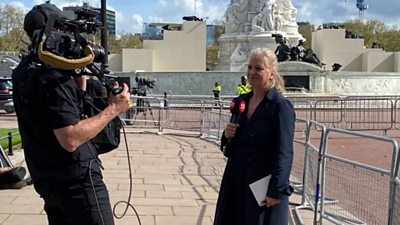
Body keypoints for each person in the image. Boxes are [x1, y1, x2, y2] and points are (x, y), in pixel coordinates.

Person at [12, 3, 130, 225]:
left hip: (47, 179)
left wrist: (77, 67)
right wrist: (114, 109)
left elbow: (69, 107)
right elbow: (71, 138)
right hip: (78, 183)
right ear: (54, 30)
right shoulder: (52, 76)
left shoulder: (23, 70)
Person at [214, 48, 295, 225]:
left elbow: (285, 152)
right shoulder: (241, 101)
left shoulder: (280, 107)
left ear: (271, 74)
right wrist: (227, 135)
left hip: (262, 185)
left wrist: (276, 190)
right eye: (249, 67)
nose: (252, 72)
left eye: (258, 68)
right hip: (236, 180)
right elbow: (229, 146)